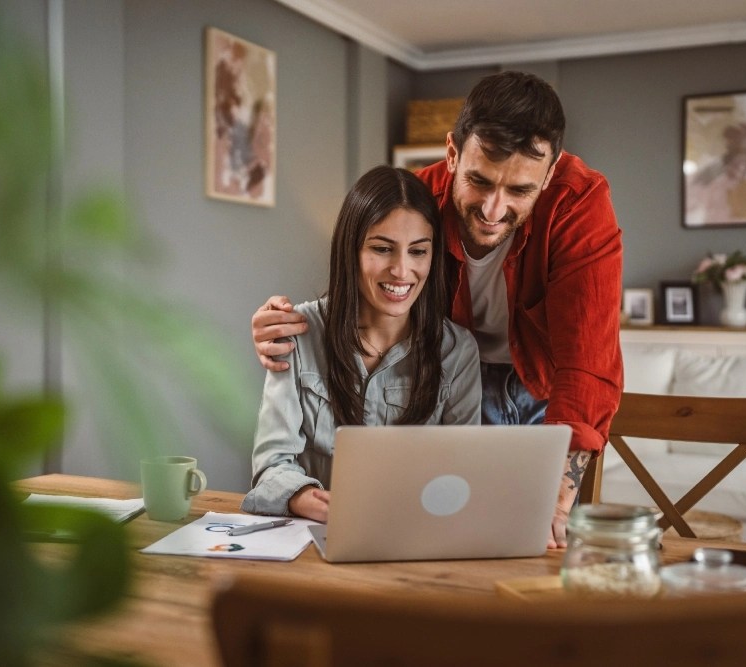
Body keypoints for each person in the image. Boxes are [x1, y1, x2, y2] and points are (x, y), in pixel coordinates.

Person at [251, 71, 623, 546]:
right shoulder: (418, 201)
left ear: (548, 177)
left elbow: (587, 362)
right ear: (452, 155)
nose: (493, 210)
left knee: (531, 538)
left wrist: (559, 493)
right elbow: (367, 288)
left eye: (519, 191)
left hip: (536, 389)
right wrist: (282, 326)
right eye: (478, 181)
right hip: (451, 376)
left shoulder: (579, 204)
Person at [241, 165, 481, 522]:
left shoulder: (457, 352)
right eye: (382, 249)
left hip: (411, 535)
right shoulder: (297, 333)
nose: (401, 270)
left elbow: (462, 476)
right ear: (350, 250)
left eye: (418, 251)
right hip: (314, 535)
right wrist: (305, 497)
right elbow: (271, 464)